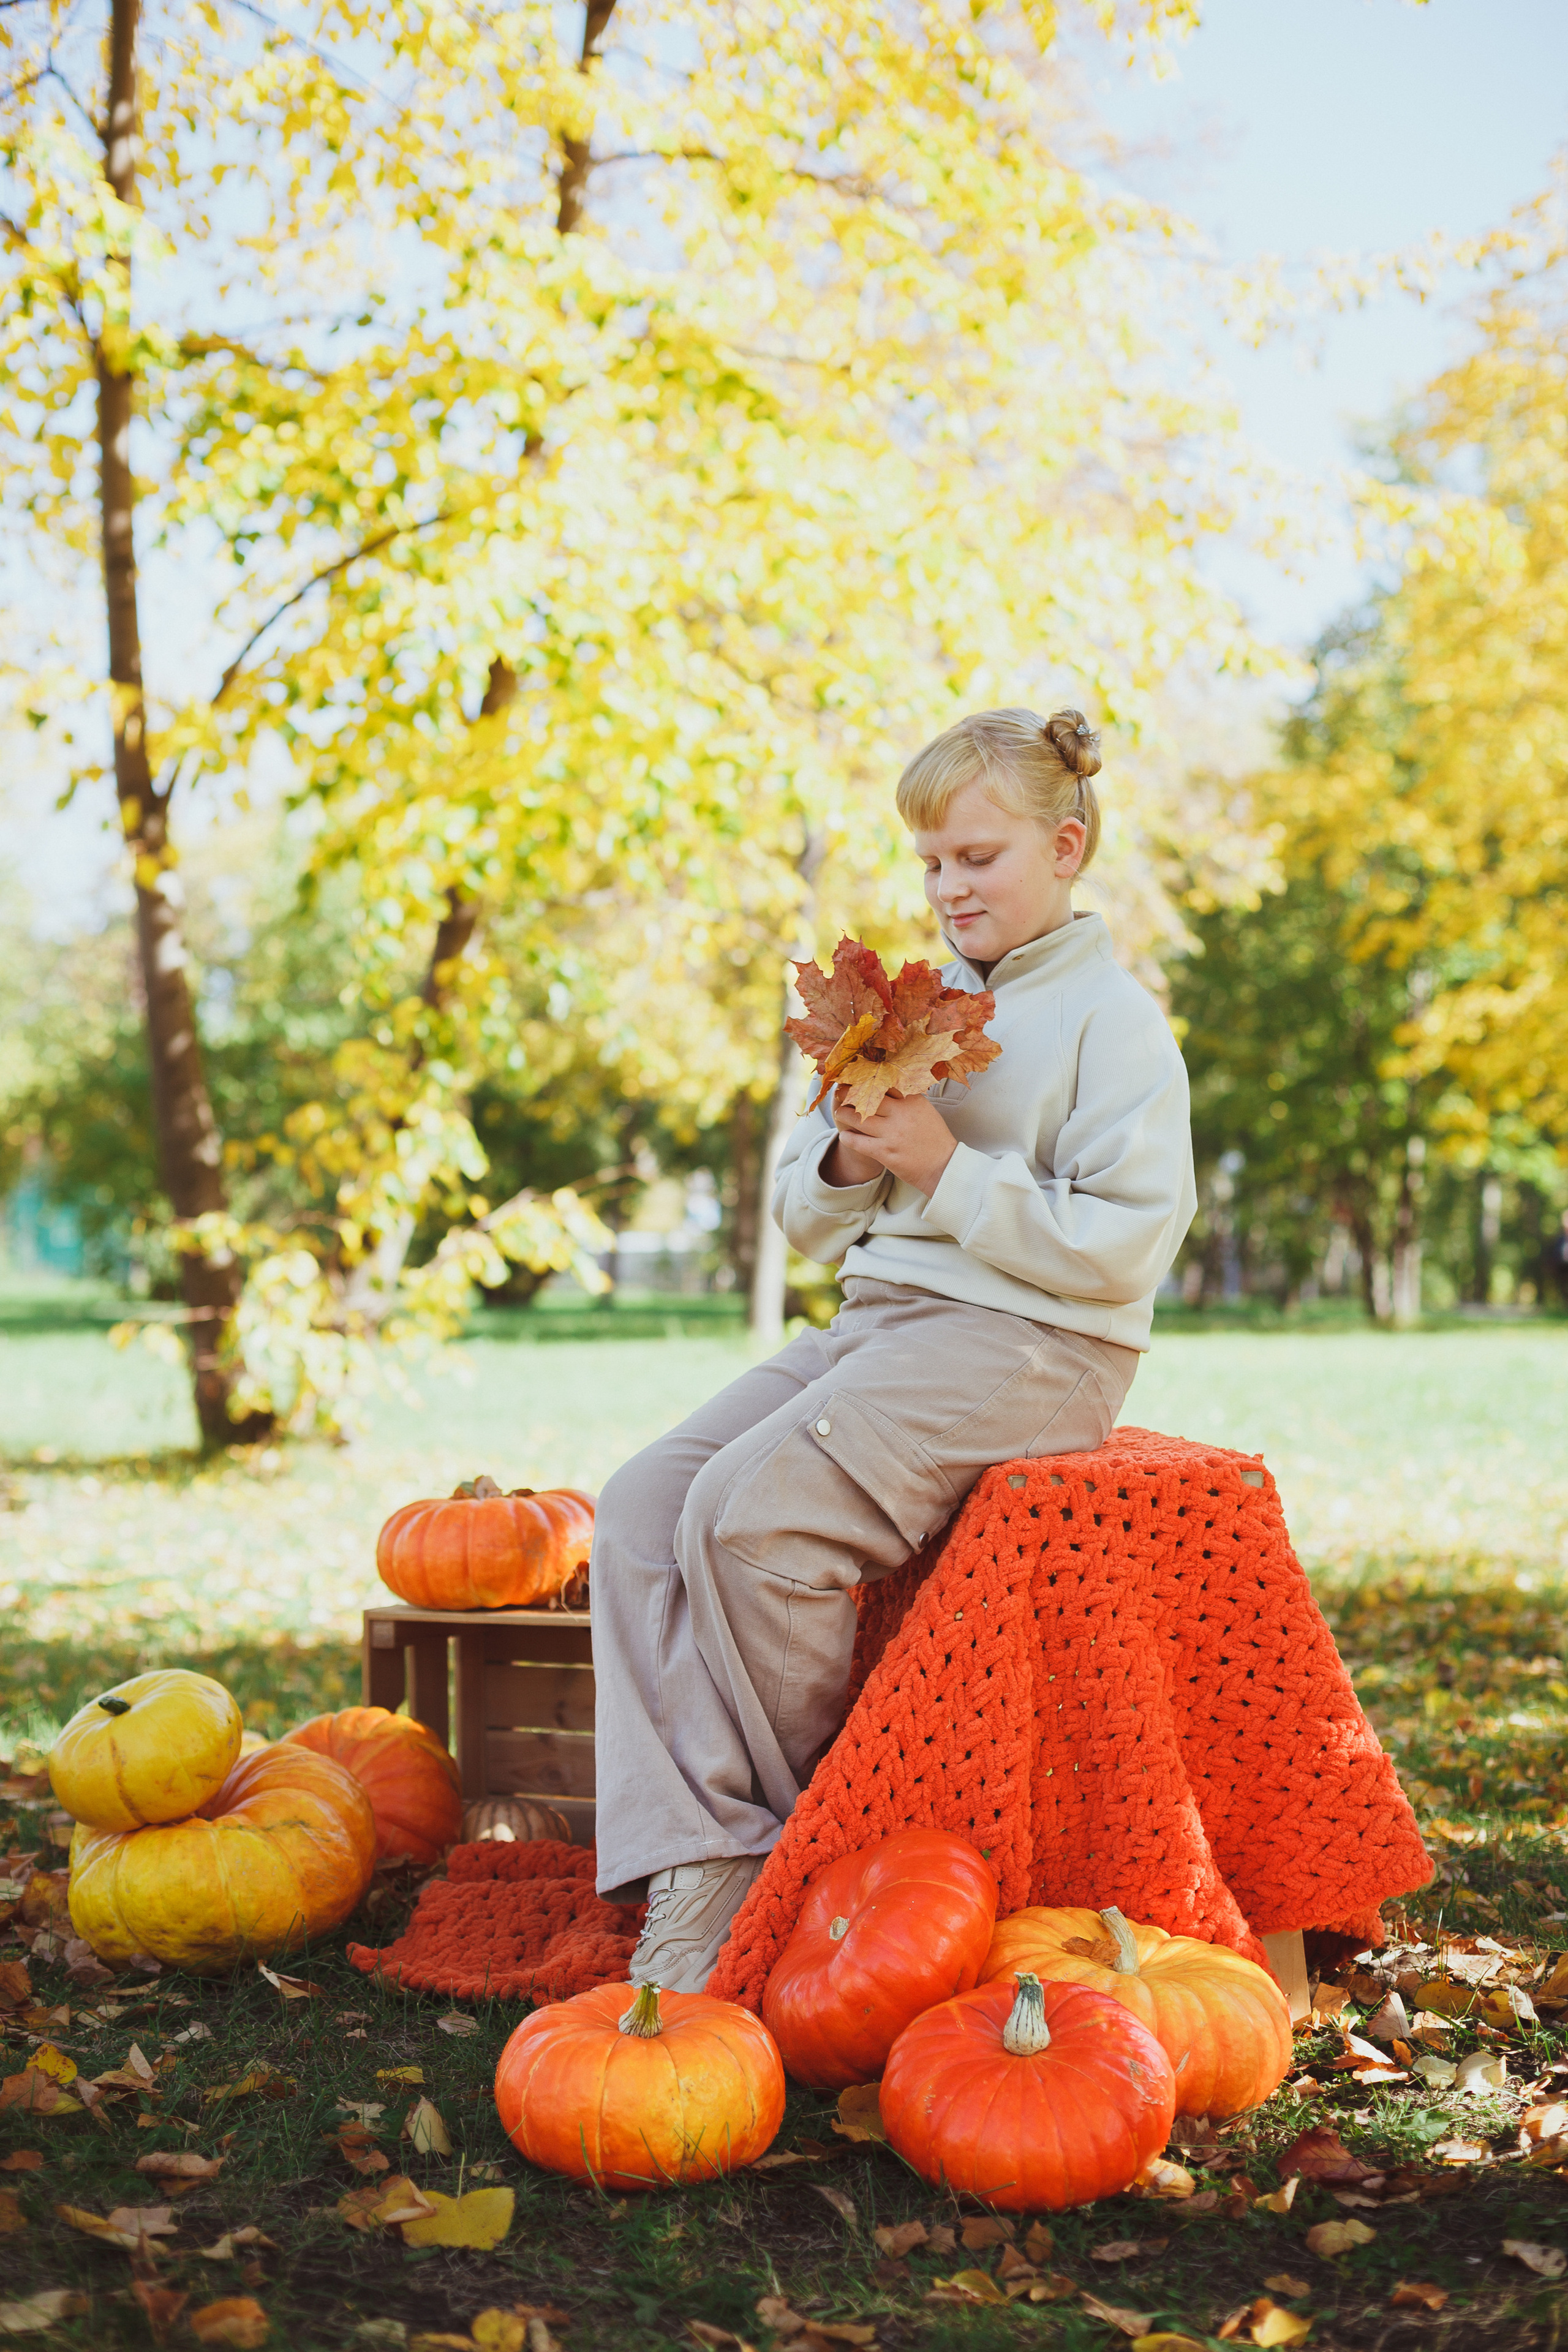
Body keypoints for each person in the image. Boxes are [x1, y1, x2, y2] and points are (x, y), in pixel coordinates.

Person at [589, 706, 1197, 1989]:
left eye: (975, 857)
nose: (945, 887)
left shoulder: (1114, 1023)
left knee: (749, 1518)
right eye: (928, 863)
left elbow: (1123, 1251)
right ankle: (705, 1848)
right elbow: (809, 1227)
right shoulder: (918, 1010)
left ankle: (821, 1849)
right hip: (878, 1325)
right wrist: (849, 1152)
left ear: (1065, 845)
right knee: (644, 1503)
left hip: (1035, 1345)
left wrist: (945, 1169)